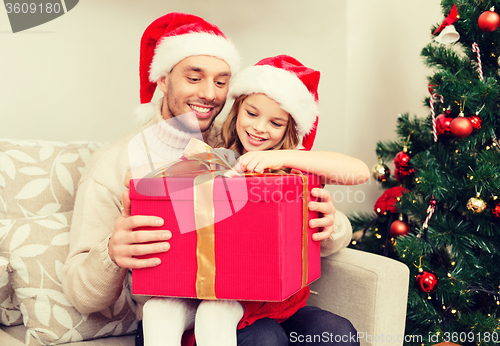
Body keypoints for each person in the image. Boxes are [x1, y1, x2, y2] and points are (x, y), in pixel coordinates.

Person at [61, 12, 360, 346]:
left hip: (257, 299)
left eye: (221, 82)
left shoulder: (241, 140)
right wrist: (111, 253)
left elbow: (318, 197)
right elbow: (82, 296)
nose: (209, 94)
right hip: (178, 311)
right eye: (194, 78)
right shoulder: (115, 163)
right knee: (262, 336)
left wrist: (329, 223)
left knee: (334, 333)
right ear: (162, 79)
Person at [139, 55, 369, 346]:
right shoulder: (215, 156)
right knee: (168, 309)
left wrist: (279, 156)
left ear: (289, 130)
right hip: (214, 288)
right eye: (252, 113)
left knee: (335, 332)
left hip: (276, 300)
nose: (260, 128)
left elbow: (359, 172)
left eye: (275, 122)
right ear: (237, 110)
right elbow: (146, 186)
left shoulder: (295, 170)